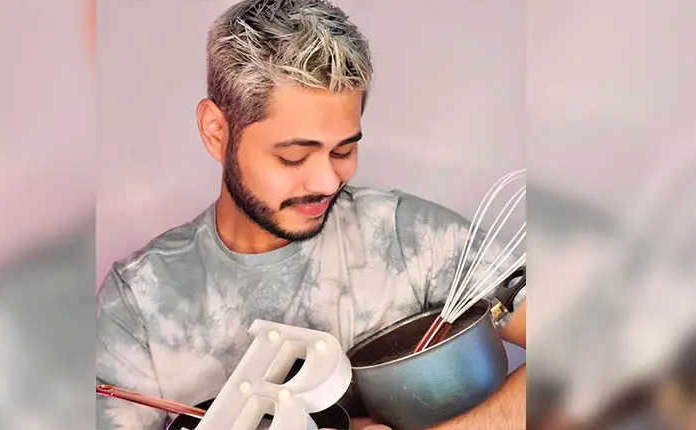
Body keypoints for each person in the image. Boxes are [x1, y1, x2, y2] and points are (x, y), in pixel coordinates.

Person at [95, 0, 526, 429]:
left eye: (344, 150)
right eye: (294, 156)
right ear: (217, 131)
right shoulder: (140, 301)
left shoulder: (410, 237)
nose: (327, 181)